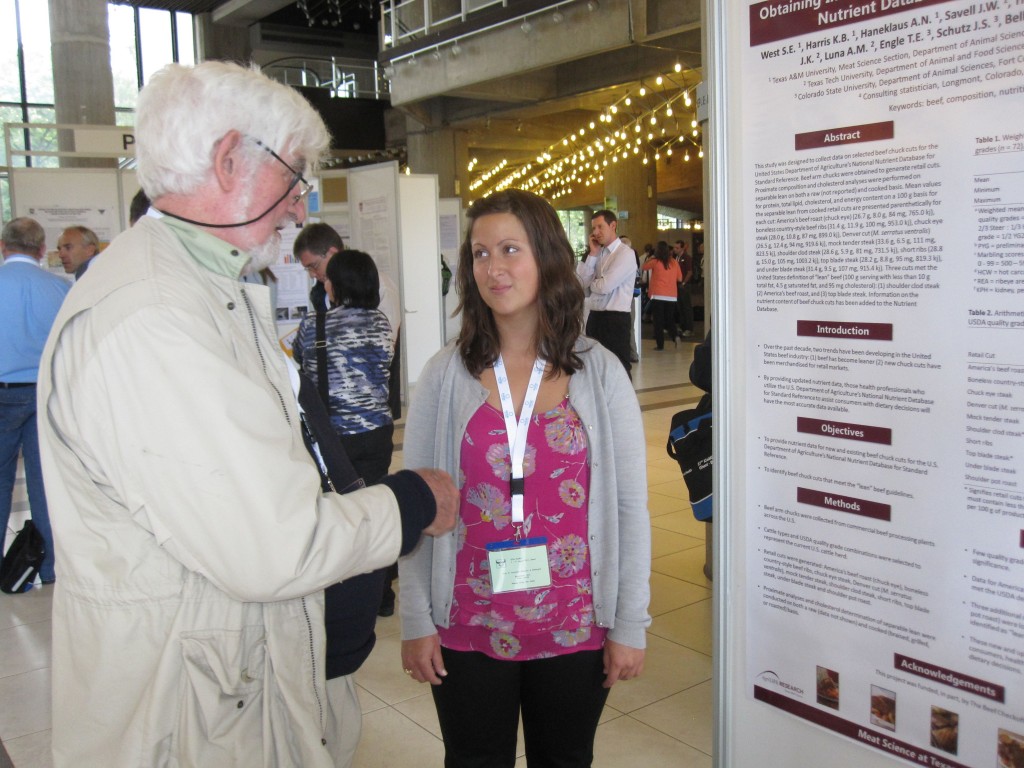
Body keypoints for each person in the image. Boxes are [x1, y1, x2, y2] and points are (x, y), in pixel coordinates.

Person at [36, 61, 459, 768]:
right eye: (294, 176)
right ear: (230, 158)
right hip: (187, 717)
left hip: (226, 680)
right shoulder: (154, 318)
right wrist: (412, 500)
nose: (300, 207)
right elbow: (275, 545)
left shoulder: (202, 289)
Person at [400, 189, 651, 767]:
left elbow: (629, 510)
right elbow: (417, 506)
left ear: (546, 257)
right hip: (466, 622)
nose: (493, 267)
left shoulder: (599, 372)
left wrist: (630, 622)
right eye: (480, 253)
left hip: (575, 622)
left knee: (564, 759)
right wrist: (416, 618)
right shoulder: (445, 376)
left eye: (510, 249)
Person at [295, 221, 402, 613]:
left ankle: (343, 592)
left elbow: (302, 376)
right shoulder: (381, 323)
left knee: (337, 512)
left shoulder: (313, 326)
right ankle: (382, 595)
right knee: (376, 504)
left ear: (337, 285)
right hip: (376, 431)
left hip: (333, 438)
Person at [0, 217, 70, 587]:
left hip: (3, 394)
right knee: (45, 483)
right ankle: (49, 567)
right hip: (44, 393)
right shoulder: (59, 288)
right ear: (42, 250)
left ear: (3, 246)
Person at [576, 209, 637, 376]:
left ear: (613, 225)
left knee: (619, 368)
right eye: (593, 228)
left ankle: (624, 402)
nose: (595, 232)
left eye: (600, 227)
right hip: (595, 317)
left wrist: (593, 284)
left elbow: (605, 286)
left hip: (615, 319)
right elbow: (581, 282)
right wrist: (593, 254)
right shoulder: (598, 254)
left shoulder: (625, 254)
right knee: (596, 366)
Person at [641, 240, 683, 350]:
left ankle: (660, 345)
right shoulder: (674, 262)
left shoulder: (655, 261)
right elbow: (680, 278)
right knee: (669, 319)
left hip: (658, 294)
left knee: (658, 320)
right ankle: (675, 336)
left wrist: (652, 256)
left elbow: (644, 267)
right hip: (671, 295)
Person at [674, 239, 694, 338]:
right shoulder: (676, 258)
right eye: (675, 247)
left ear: (682, 248)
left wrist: (684, 282)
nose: (675, 249)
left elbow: (690, 272)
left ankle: (689, 328)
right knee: (680, 307)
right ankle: (682, 326)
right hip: (678, 284)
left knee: (686, 307)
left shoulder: (686, 258)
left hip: (684, 285)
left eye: (677, 248)